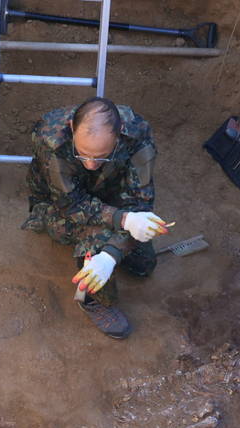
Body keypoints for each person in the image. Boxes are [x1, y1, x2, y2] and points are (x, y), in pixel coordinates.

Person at [23, 97, 168, 339]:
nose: (90, 164)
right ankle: (93, 299)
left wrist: (117, 246)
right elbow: (72, 205)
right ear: (71, 128)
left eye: (101, 156)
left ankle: (109, 251)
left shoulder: (137, 134)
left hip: (109, 193)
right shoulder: (51, 141)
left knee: (143, 265)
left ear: (119, 134)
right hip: (58, 205)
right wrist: (121, 226)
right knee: (96, 238)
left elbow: (140, 201)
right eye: (83, 155)